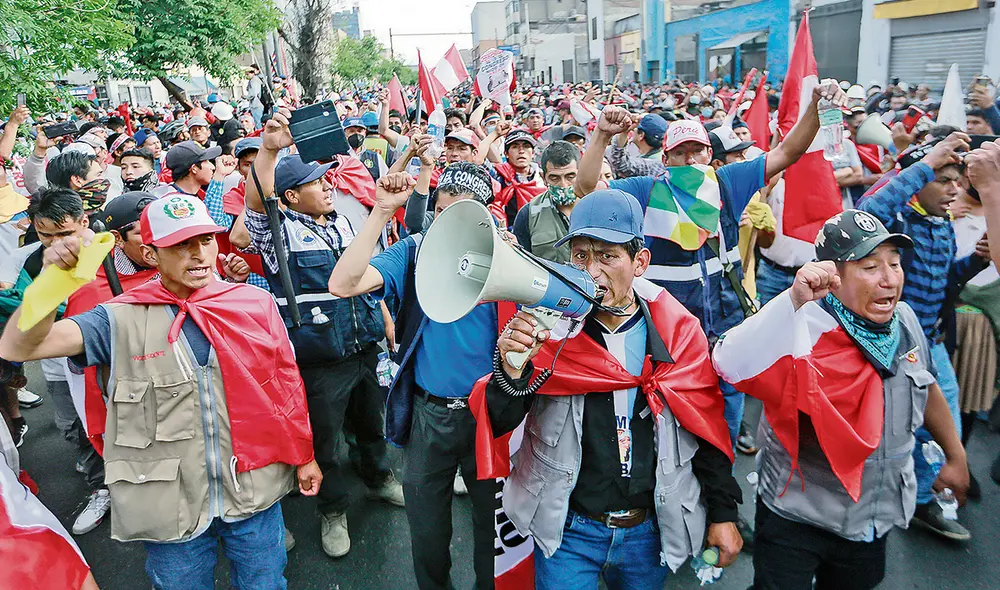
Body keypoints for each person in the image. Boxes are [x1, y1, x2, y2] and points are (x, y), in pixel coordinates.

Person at [0, 192, 321, 589]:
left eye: (204, 240)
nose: (198, 254)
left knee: (265, 583)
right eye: (180, 245)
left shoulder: (255, 303)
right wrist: (52, 285)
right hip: (168, 504)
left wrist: (304, 456)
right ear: (152, 255)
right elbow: (19, 347)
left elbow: (286, 388)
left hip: (254, 494)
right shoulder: (117, 319)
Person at [473, 189, 741, 589]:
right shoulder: (548, 331)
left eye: (607, 256)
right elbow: (503, 420)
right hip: (569, 530)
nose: (592, 272)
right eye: (580, 256)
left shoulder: (679, 335)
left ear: (640, 263)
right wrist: (512, 370)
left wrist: (723, 513)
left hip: (648, 531)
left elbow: (704, 426)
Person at [575, 81, 846, 455]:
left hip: (725, 331)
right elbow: (587, 187)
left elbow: (787, 152)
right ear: (664, 159)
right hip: (667, 338)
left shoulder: (727, 183)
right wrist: (602, 136)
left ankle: (723, 492)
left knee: (723, 430)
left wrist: (815, 107)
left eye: (697, 152)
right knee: (671, 432)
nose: (690, 162)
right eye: (680, 153)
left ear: (709, 156)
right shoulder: (646, 189)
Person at [713, 210, 969, 590]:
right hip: (797, 516)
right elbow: (728, 361)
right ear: (833, 278)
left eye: (895, 264)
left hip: (872, 520)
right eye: (869, 267)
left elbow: (926, 387)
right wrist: (791, 301)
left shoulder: (906, 322)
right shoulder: (801, 327)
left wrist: (956, 455)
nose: (889, 280)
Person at [328, 160, 502, 590]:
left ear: (486, 217)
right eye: (441, 212)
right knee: (426, 534)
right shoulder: (414, 252)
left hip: (492, 420)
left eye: (462, 214)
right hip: (429, 419)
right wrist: (381, 210)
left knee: (493, 535)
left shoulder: (507, 257)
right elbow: (344, 283)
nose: (447, 224)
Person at [243, 111, 404, 559]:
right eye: (317, 182)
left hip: (365, 345)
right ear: (291, 196)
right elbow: (257, 202)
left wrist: (386, 318)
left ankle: (378, 479)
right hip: (319, 361)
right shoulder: (278, 231)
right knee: (326, 441)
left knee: (372, 423)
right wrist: (271, 148)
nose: (328, 185)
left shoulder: (346, 223)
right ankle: (332, 509)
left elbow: (366, 278)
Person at [857, 132, 987, 541]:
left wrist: (972, 265)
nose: (955, 189)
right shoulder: (895, 224)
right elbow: (867, 209)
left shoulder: (943, 224)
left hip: (930, 345)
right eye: (942, 179)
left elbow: (946, 282)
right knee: (884, 430)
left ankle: (926, 504)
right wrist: (925, 163)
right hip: (890, 349)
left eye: (957, 181)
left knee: (936, 425)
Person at [511, 140, 580, 263]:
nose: (563, 185)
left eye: (570, 177)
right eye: (555, 178)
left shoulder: (596, 206)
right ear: (544, 178)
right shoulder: (529, 214)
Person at [490, 129, 546, 226]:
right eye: (515, 147)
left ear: (533, 153)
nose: (521, 151)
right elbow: (479, 160)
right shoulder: (499, 176)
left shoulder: (544, 178)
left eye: (526, 146)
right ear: (506, 154)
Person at [607, 114, 668, 179]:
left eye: (635, 128)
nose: (633, 130)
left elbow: (621, 164)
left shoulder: (654, 165)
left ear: (641, 135)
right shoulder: (662, 157)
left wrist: (625, 131)